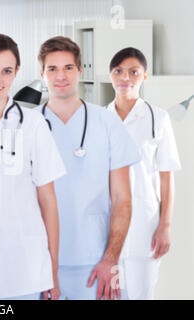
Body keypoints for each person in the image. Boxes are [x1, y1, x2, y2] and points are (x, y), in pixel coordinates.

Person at [0, 33, 66, 300]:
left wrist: (51, 270)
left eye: (6, 71)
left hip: (25, 267)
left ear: (16, 72)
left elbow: (48, 200)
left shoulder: (32, 125)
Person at [37, 36, 141, 300]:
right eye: (53, 69)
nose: (61, 76)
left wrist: (110, 258)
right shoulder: (29, 125)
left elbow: (122, 199)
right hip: (40, 263)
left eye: (68, 68)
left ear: (80, 71)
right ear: (42, 73)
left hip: (98, 262)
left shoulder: (107, 122)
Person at [107, 47, 181, 299]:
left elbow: (166, 176)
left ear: (144, 77)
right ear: (111, 75)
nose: (125, 77)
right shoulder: (99, 119)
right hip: (106, 227)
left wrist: (165, 225)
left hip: (144, 226)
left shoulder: (157, 118)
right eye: (118, 71)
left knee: (141, 295)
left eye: (133, 72)